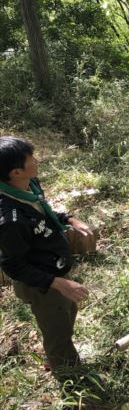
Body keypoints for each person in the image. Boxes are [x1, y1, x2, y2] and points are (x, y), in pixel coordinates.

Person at [0, 136, 93, 384]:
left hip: (54, 270)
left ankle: (56, 357)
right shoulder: (10, 219)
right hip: (41, 284)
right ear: (16, 171)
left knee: (67, 313)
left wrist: (70, 219)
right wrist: (58, 283)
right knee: (58, 333)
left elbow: (45, 211)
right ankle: (72, 384)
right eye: (32, 159)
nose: (38, 160)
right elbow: (13, 265)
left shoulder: (30, 185)